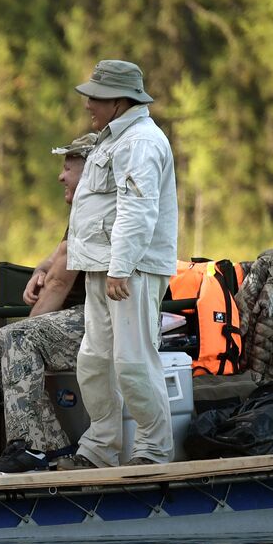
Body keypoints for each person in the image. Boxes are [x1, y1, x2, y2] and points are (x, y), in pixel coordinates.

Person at [58, 60, 179, 469]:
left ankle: (153, 450)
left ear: (119, 100)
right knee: (94, 362)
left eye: (96, 96)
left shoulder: (140, 141)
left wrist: (121, 267)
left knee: (133, 361)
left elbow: (137, 209)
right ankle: (99, 448)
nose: (88, 103)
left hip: (130, 271)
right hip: (105, 268)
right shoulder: (115, 138)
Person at [0, 133, 97, 473]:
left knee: (16, 338)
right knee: (1, 341)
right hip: (86, 316)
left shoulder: (94, 208)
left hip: (103, 316)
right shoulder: (84, 207)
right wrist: (40, 270)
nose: (61, 176)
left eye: (68, 168)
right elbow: (57, 259)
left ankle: (30, 447)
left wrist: (26, 328)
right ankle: (51, 446)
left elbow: (60, 282)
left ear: (90, 171)